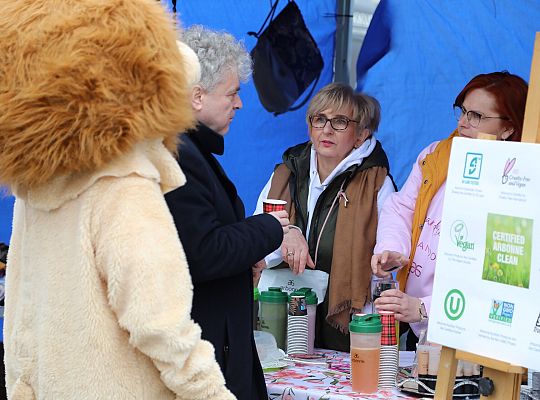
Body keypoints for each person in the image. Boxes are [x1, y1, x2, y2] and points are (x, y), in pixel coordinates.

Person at [0, 1, 234, 399]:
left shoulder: (35, 186)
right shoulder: (123, 181)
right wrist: (211, 392)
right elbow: (159, 322)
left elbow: (23, 313)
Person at [164, 25, 289, 400]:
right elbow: (203, 252)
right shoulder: (180, 156)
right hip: (203, 354)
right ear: (197, 96)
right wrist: (269, 229)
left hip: (216, 346)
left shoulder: (193, 152)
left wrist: (246, 256)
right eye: (232, 93)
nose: (239, 104)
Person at [371, 71, 528, 349]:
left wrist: (425, 307)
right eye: (463, 111)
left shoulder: (518, 185)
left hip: (477, 335)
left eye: (477, 116)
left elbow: (499, 281)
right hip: (418, 324)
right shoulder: (437, 153)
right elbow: (402, 207)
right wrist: (392, 247)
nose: (463, 123)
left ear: (508, 128)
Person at [256, 83, 395, 352]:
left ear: (361, 135)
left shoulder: (377, 184)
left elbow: (386, 263)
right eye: (319, 119)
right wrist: (284, 236)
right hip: (286, 311)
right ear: (310, 127)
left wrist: (370, 326)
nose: (327, 129)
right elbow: (257, 242)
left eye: (340, 121)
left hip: (347, 324)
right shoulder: (286, 174)